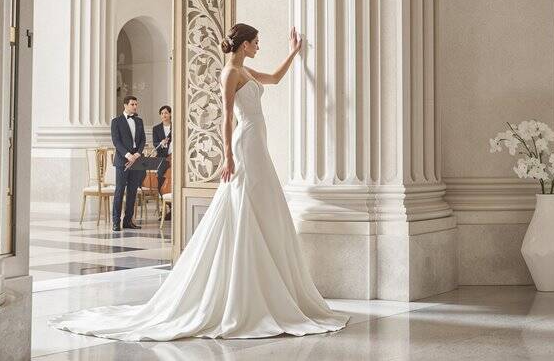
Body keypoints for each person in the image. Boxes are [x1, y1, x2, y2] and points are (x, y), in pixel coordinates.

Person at [52, 24, 348, 340]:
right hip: (245, 143)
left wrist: (294, 53)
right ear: (245, 44)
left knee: (263, 203)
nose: (258, 47)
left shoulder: (245, 71)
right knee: (243, 202)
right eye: (256, 43)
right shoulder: (229, 74)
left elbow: (274, 79)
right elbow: (226, 117)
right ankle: (243, 289)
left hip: (257, 142)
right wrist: (228, 157)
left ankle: (269, 284)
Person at [110, 96, 146, 232]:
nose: (135, 106)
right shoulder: (116, 121)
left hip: (136, 161)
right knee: (119, 191)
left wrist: (137, 154)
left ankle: (128, 221)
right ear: (125, 105)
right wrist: (127, 155)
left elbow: (142, 140)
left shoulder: (139, 121)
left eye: (136, 104)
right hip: (122, 161)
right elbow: (116, 141)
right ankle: (115, 222)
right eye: (132, 104)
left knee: (132, 192)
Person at [151, 105, 173, 220]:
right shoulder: (156, 128)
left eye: (166, 113)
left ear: (170, 114)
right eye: (162, 113)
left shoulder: (175, 127)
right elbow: (155, 144)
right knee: (160, 180)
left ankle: (174, 208)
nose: (164, 115)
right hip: (162, 158)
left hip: (174, 159)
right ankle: (169, 206)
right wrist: (162, 143)